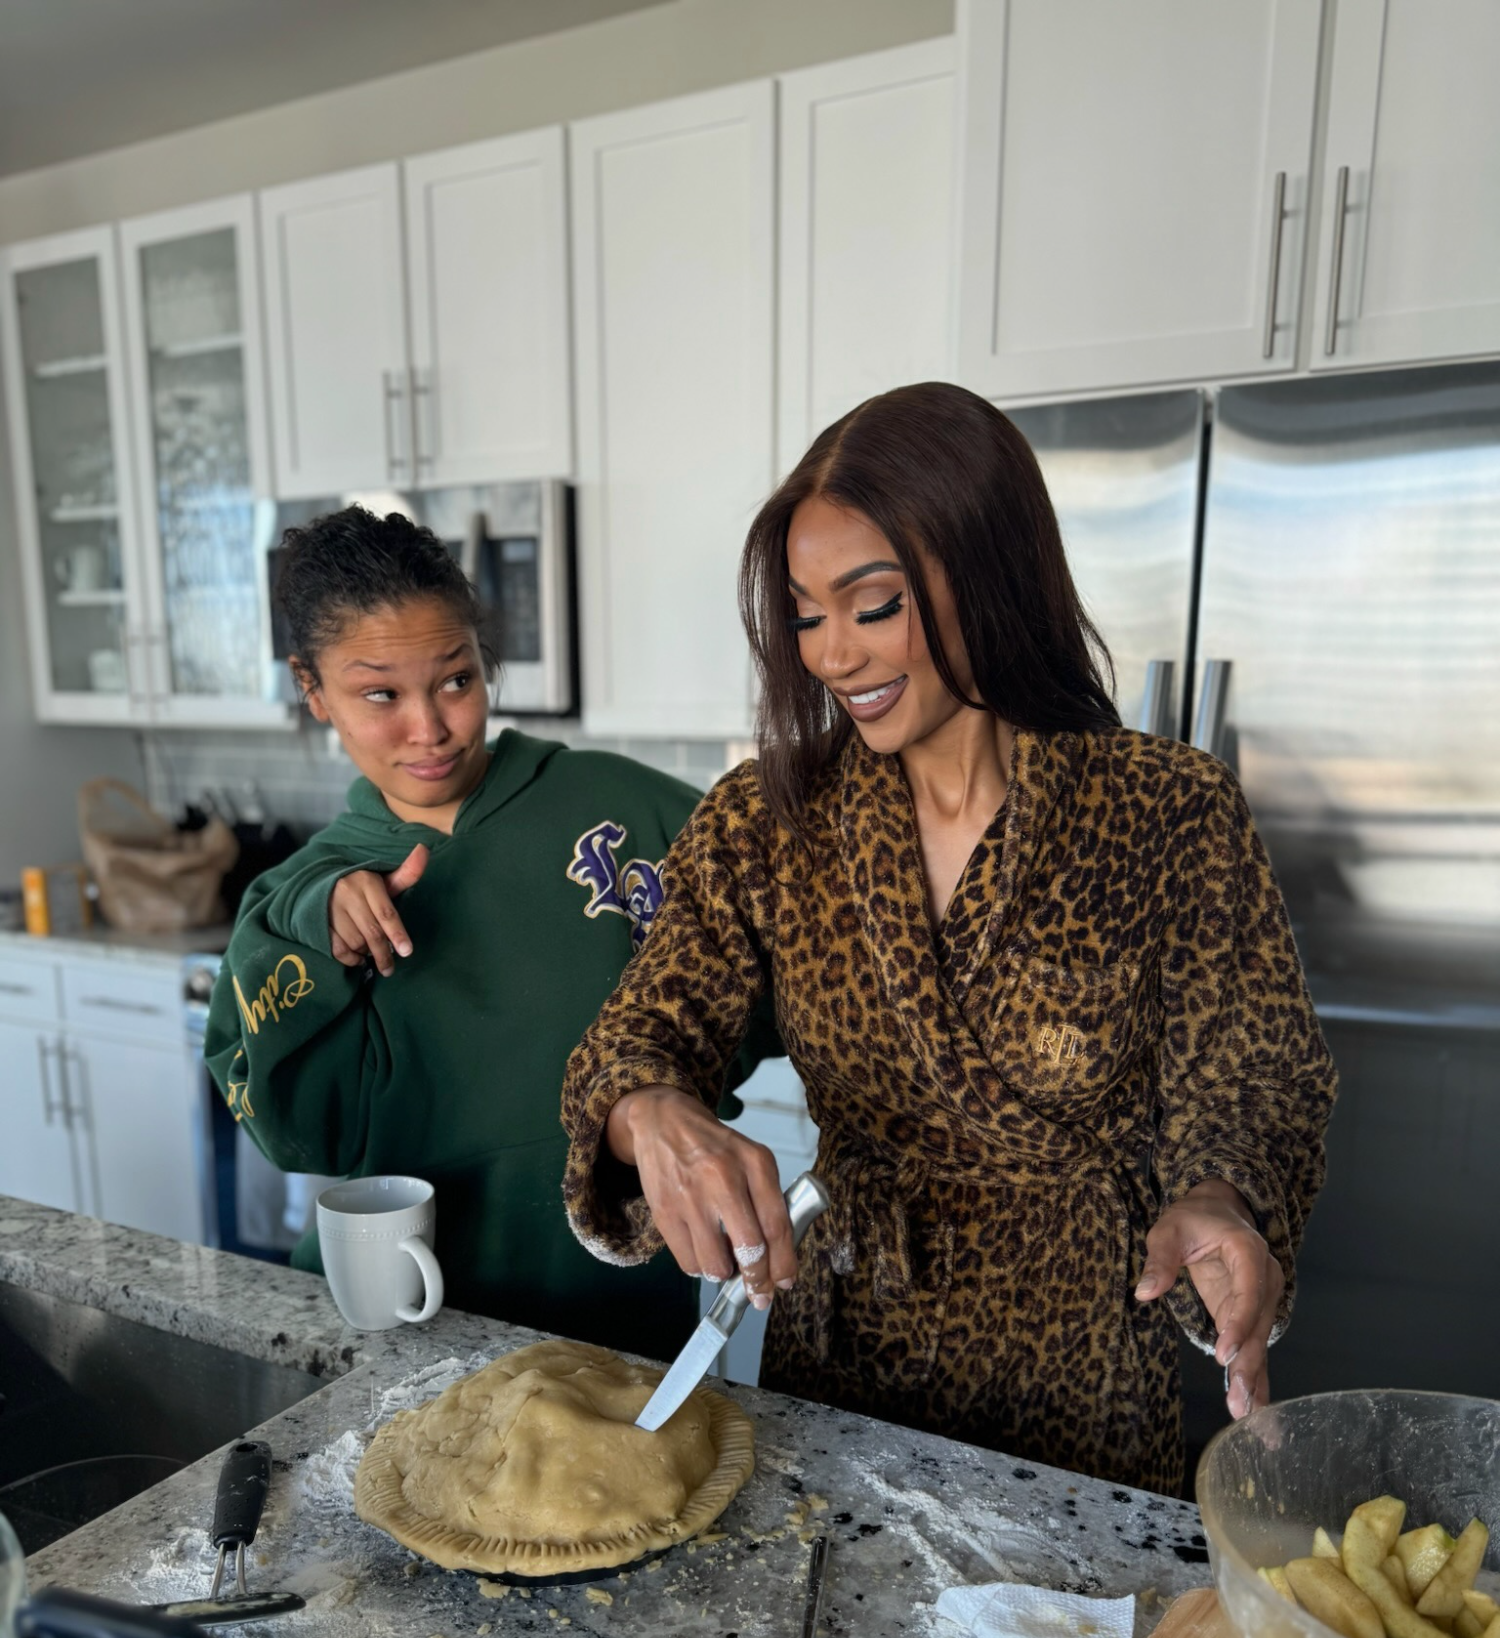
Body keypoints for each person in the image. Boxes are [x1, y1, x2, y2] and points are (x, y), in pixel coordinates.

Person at [560, 383, 1337, 1494]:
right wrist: (651, 1112)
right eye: (804, 611)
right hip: (843, 1367)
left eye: (872, 606)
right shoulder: (766, 822)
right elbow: (640, 1036)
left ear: (989, 574)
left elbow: (1253, 1072)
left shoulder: (1169, 812)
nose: (830, 654)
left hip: (1078, 1379)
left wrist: (1221, 1197)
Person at [205, 505, 774, 1357]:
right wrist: (317, 937)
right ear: (312, 688)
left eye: (456, 680)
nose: (430, 728)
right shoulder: (297, 902)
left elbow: (773, 970)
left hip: (621, 1327)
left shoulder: (625, 808)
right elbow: (289, 1131)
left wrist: (671, 1102)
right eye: (380, 695)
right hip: (402, 1325)